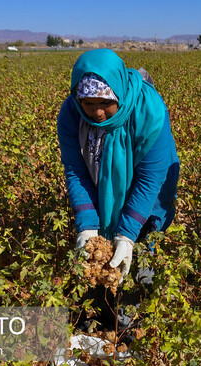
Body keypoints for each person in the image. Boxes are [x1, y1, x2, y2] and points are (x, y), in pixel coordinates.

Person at [57, 49, 179, 331]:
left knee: (138, 269)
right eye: (89, 104)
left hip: (149, 200)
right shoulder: (72, 113)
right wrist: (87, 226)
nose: (97, 112)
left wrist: (127, 234)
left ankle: (131, 333)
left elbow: (151, 179)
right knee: (98, 266)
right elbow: (76, 171)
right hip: (100, 193)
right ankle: (102, 324)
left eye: (105, 103)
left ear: (119, 95)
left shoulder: (148, 111)